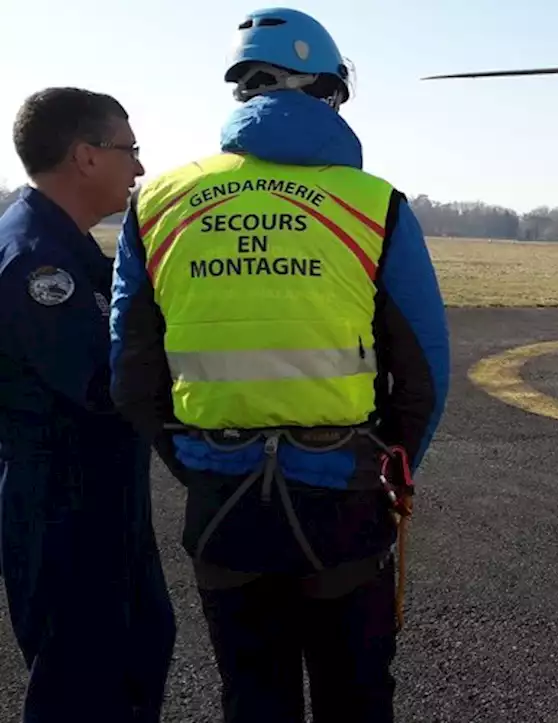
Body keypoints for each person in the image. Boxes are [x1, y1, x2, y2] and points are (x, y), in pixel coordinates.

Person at [108, 8, 450, 722]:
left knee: (253, 696)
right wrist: (386, 463)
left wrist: (197, 460)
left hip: (221, 505)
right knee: (354, 697)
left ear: (246, 92)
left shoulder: (158, 205)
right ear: (324, 92)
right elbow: (424, 376)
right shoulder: (373, 204)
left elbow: (132, 374)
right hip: (343, 503)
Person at [0, 87, 176, 721]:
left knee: (140, 652)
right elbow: (107, 387)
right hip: (66, 515)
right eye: (128, 150)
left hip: (100, 505)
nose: (138, 168)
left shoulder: (65, 248)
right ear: (85, 157)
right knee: (82, 686)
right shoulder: (39, 265)